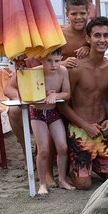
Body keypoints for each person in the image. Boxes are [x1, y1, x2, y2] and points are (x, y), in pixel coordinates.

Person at [58, 16, 108, 190]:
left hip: (101, 129)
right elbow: (63, 105)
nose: (102, 40)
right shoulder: (76, 69)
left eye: (105, 36)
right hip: (80, 130)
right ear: (88, 39)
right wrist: (85, 126)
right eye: (97, 35)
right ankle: (77, 168)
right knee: (83, 185)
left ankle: (96, 164)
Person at [29, 49, 72, 195]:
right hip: (37, 113)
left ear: (61, 58)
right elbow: (23, 90)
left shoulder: (63, 71)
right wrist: (40, 94)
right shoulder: (35, 72)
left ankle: (62, 179)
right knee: (44, 149)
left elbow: (67, 93)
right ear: (41, 59)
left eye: (57, 61)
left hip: (53, 112)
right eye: (49, 61)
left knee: (62, 147)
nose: (54, 65)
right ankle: (42, 183)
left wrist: (56, 94)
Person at [61, 0, 91, 70]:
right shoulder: (60, 36)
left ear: (88, 13)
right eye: (74, 14)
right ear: (67, 15)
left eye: (82, 13)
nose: (78, 17)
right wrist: (63, 63)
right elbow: (44, 63)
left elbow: (100, 59)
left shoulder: (93, 35)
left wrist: (90, 49)